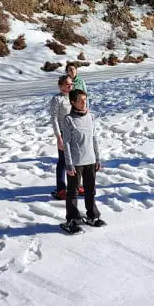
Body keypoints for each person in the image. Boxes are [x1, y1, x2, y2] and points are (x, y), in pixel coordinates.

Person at [61, 89, 104, 233]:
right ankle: (72, 219)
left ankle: (92, 215)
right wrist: (69, 163)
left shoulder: (91, 117)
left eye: (85, 99)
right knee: (73, 192)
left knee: (90, 190)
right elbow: (66, 142)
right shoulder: (69, 119)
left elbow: (94, 138)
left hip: (90, 160)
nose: (83, 102)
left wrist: (97, 157)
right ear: (73, 102)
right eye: (80, 100)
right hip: (76, 162)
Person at [50, 75, 74, 200]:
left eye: (71, 84)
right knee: (63, 161)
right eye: (67, 84)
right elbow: (53, 118)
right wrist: (58, 137)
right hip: (64, 134)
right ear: (60, 86)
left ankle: (75, 185)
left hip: (75, 133)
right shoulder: (57, 99)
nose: (70, 86)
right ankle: (61, 188)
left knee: (76, 160)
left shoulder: (74, 96)